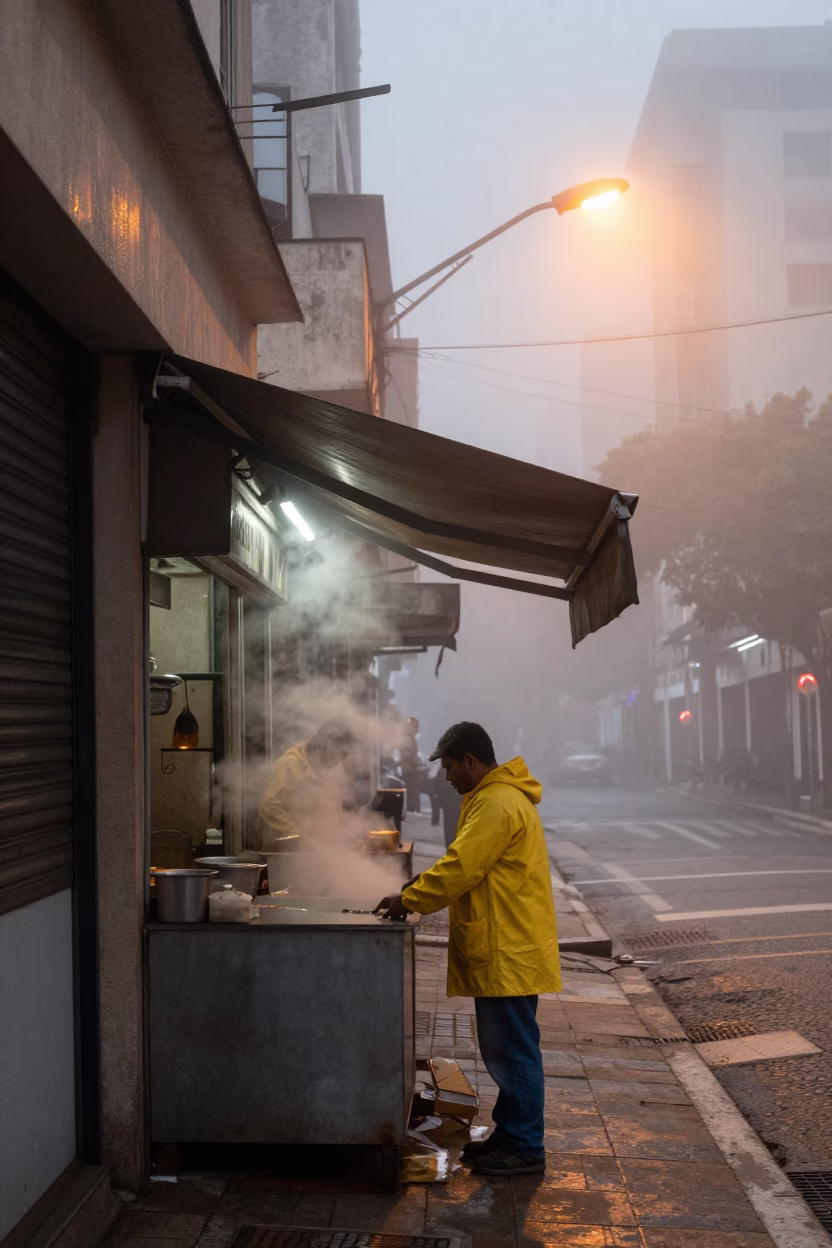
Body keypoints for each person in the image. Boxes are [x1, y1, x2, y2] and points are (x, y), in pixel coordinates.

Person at [375, 722, 560, 1177]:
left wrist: (410, 899)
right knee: (506, 1049)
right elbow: (465, 859)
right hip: (507, 944)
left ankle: (524, 1146)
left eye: (451, 766)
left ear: (472, 761)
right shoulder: (493, 798)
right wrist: (421, 881)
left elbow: (462, 868)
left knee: (512, 1052)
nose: (446, 777)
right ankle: (512, 1133)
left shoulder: (497, 802)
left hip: (508, 948)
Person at [256, 719, 356, 848]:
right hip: (286, 856)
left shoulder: (324, 771)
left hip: (316, 854)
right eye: (340, 755)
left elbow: (335, 814)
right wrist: (297, 838)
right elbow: (269, 806)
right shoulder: (288, 765)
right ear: (327, 745)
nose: (339, 762)